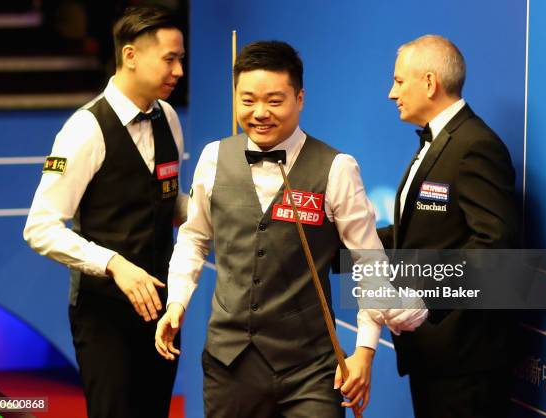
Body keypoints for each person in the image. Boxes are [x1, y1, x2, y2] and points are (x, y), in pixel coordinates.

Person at [155, 40, 390, 417]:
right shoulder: (213, 158)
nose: (260, 113)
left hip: (312, 369)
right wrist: (177, 302)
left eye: (275, 101)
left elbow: (369, 262)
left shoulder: (337, 168)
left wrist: (365, 350)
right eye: (247, 101)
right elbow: (195, 238)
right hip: (228, 364)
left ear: (300, 98)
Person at [23, 6, 187, 418]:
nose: (179, 70)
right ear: (130, 56)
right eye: (170, 58)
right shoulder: (84, 129)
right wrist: (113, 264)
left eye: (180, 58)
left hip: (162, 310)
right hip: (104, 315)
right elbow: (40, 227)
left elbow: (167, 199)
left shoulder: (167, 116)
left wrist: (211, 210)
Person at [378, 35, 519, 417]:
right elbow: (415, 234)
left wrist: (424, 296)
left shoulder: (475, 145)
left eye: (399, 81)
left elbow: (493, 246)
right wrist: (347, 237)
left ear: (429, 82)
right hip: (433, 352)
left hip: (466, 358)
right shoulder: (441, 141)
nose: (392, 93)